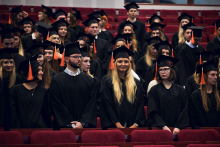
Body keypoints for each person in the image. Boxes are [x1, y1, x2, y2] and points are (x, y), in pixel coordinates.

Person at [49, 42, 97, 129]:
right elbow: (56, 104)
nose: (79, 59)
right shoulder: (57, 80)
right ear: (66, 59)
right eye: (75, 57)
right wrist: (70, 124)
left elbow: (91, 104)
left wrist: (82, 123)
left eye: (80, 57)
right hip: (63, 128)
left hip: (84, 127)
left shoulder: (89, 80)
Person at [100, 46, 146, 129]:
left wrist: (136, 124)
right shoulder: (108, 83)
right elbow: (107, 105)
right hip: (113, 126)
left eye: (126, 61)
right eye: (120, 61)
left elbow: (140, 104)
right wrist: (117, 124)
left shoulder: (136, 83)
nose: (123, 64)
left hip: (133, 126)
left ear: (129, 63)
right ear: (114, 63)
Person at [147, 55, 188, 135]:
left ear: (172, 70)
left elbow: (184, 109)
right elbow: (152, 111)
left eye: (165, 69)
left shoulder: (180, 90)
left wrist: (178, 126)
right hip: (159, 129)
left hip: (177, 130)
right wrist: (163, 126)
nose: (162, 72)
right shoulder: (154, 90)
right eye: (160, 69)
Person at [10, 55, 51, 128]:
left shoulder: (43, 91)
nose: (42, 73)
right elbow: (12, 113)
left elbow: (46, 113)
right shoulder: (16, 90)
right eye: (39, 70)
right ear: (31, 71)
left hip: (39, 129)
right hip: (19, 129)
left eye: (42, 70)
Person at [190, 59, 220, 128]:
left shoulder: (218, 94)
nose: (215, 77)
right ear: (205, 76)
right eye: (212, 75)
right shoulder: (195, 96)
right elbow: (196, 117)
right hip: (203, 131)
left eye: (216, 75)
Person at [0, 48, 24, 131]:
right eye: (6, 62)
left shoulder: (18, 79)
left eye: (11, 62)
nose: (9, 65)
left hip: (13, 115)